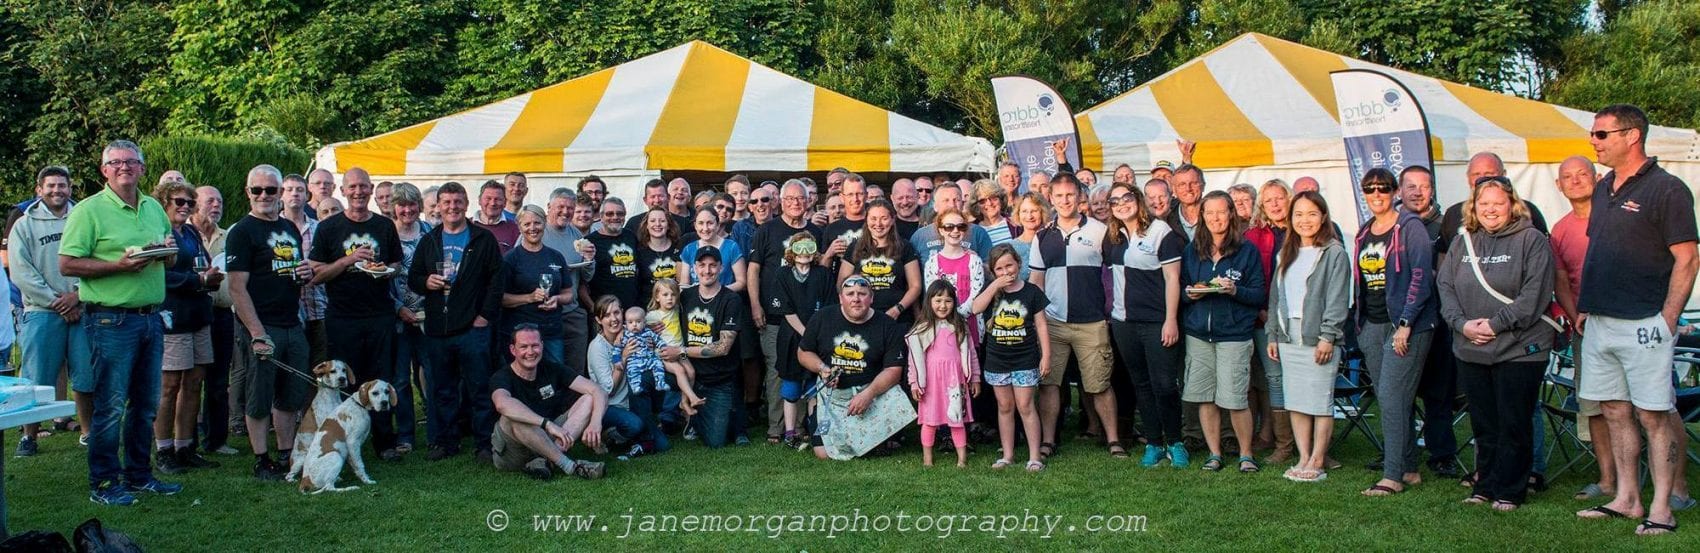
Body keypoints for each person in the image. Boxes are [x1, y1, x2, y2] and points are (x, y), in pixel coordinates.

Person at [1574, 105, 1697, 536]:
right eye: (1593, 134)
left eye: (1602, 134)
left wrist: (1668, 318)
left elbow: (1688, 258)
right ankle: (1627, 498)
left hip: (1645, 320)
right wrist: (1586, 304)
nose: (1594, 141)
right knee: (1613, 410)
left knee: (1654, 415)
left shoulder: (1668, 190)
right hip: (1602, 319)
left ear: (1632, 136)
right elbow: (1602, 252)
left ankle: (1661, 507)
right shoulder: (1605, 187)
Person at [60, 140, 184, 504]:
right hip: (110, 320)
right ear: (104, 170)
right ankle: (103, 483)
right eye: (115, 162)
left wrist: (166, 252)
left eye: (131, 162)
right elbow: (67, 264)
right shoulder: (89, 211)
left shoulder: (153, 208)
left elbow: (172, 259)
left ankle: (139, 475)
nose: (124, 167)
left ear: (143, 169)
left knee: (146, 405)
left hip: (150, 318)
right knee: (111, 405)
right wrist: (119, 266)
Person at [1437, 177, 1557, 511]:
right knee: (1484, 423)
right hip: (1471, 346)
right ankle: (1485, 484)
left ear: (1512, 205)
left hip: (1519, 349)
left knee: (1513, 422)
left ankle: (1511, 490)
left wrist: (1494, 324)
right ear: (1473, 207)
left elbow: (1534, 295)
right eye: (1483, 203)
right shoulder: (1464, 242)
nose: (1490, 210)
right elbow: (1445, 286)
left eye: (1498, 203)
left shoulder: (1531, 240)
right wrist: (1461, 325)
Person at [308, 168, 406, 460]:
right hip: (342, 316)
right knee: (346, 380)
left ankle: (385, 443)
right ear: (343, 190)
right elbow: (316, 274)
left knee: (381, 379)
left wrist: (385, 271)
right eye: (353, 187)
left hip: (379, 315)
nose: (359, 192)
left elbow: (397, 265)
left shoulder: (385, 226)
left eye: (364, 187)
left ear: (371, 189)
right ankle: (345, 439)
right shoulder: (328, 228)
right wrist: (349, 260)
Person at [224, 164, 313, 483]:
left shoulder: (288, 228)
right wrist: (257, 332)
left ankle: (286, 452)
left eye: (270, 190)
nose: (264, 195)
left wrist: (305, 273)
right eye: (257, 190)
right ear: (248, 193)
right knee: (260, 393)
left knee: (291, 393)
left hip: (292, 322)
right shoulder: (241, 232)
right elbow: (236, 287)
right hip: (261, 325)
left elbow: (289, 269)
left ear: (280, 193)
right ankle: (262, 458)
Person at [1353, 168, 1437, 496]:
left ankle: (1391, 477)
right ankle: (1410, 467)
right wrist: (1360, 327)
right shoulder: (1364, 232)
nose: (1377, 194)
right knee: (1392, 399)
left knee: (1391, 397)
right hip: (1372, 324)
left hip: (1406, 326)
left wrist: (1405, 323)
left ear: (1395, 192)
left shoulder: (1409, 227)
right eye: (1370, 189)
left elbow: (1420, 277)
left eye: (1383, 188)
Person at [408, 181, 505, 463]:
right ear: (438, 206)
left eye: (457, 202)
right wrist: (426, 281)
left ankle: (484, 444)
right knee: (442, 389)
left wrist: (484, 316)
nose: (452, 207)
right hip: (438, 329)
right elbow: (414, 278)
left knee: (479, 389)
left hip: (472, 328)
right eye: (447, 202)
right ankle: (444, 442)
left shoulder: (482, 239)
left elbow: (496, 281)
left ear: (466, 204)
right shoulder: (429, 240)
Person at [1029, 173, 1123, 460]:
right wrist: (1038, 322)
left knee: (1100, 384)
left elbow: (1114, 274)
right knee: (1049, 384)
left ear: (1080, 196)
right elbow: (1036, 281)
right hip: (1054, 321)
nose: (1065, 200)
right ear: (1051, 199)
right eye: (1059, 196)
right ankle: (1047, 441)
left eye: (1070, 195)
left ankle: (1113, 440)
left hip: (1091, 321)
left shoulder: (1099, 231)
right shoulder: (1042, 235)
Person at [1264, 191, 1350, 483]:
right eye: (1298, 214)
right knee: (1297, 401)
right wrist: (1273, 334)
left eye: (1312, 214)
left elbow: (1338, 298)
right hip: (1289, 335)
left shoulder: (1334, 252)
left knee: (1319, 401)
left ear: (1323, 217)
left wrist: (1329, 336)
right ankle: (1302, 456)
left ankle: (1318, 458)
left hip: (1320, 336)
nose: (1305, 220)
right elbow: (1277, 296)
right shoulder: (1286, 252)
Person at [1180, 191, 1267, 473]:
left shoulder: (1246, 251)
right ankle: (1214, 453)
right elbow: (1181, 289)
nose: (1215, 218)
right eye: (1209, 213)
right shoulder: (1193, 250)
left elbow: (1258, 294)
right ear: (1202, 217)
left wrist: (1235, 290)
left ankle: (1245, 454)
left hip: (1234, 335)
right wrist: (1189, 294)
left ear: (1231, 214)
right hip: (1199, 334)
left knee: (1235, 397)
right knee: (1205, 396)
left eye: (1221, 212)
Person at [11, 166, 93, 457]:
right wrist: (56, 301)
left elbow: (97, 259)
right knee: (37, 378)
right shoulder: (24, 224)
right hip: (42, 311)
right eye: (51, 186)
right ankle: (29, 436)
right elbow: (21, 272)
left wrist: (77, 296)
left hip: (81, 308)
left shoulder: (85, 217)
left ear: (71, 188)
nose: (57, 191)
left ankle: (87, 432)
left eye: (62, 186)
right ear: (39, 189)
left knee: (86, 376)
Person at [1104, 183, 1187, 468]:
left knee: (1164, 384)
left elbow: (1173, 279)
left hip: (1157, 322)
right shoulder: (1113, 237)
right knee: (1141, 385)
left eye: (1126, 198)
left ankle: (1175, 441)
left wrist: (1171, 319)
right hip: (1124, 322)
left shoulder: (1160, 232)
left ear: (1138, 200)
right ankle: (1153, 442)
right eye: (1114, 202)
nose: (1121, 205)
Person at [1396, 165, 1464, 479]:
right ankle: (1401, 452)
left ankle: (1442, 453)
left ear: (1432, 190)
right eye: (1411, 186)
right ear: (1399, 190)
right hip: (1401, 322)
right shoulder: (1391, 226)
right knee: (1401, 391)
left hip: (1437, 321)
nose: (1418, 192)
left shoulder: (1445, 224)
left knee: (1439, 392)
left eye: (1424, 186)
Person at [151, 180, 222, 474]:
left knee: (194, 382)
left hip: (198, 313)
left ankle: (185, 445)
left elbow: (199, 263)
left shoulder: (191, 231)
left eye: (189, 203)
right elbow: (160, 276)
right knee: (169, 386)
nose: (184, 207)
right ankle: (164, 449)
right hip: (173, 315)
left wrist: (209, 274)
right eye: (178, 202)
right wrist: (198, 281)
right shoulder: (158, 234)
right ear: (164, 202)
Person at [798, 275, 908, 460]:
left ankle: (880, 438)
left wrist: (869, 393)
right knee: (823, 453)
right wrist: (823, 369)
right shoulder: (822, 317)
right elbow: (803, 352)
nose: (856, 299)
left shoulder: (888, 325)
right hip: (834, 397)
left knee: (873, 448)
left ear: (871, 298)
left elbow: (894, 371)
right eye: (850, 294)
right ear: (841, 298)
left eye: (862, 293)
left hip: (872, 395)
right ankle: (817, 417)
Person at [747, 180, 822, 443]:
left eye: (800, 198)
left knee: (805, 369)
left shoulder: (816, 232)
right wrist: (755, 305)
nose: (795, 203)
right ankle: (776, 428)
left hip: (807, 319)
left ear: (808, 201)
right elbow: (753, 270)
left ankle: (800, 427)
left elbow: (819, 269)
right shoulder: (766, 231)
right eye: (789, 199)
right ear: (780, 201)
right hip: (774, 316)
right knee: (778, 370)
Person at [488, 326, 609, 480]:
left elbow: (598, 391)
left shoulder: (551, 368)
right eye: (524, 347)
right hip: (514, 453)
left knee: (590, 399)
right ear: (513, 350)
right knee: (512, 416)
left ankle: (547, 460)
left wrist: (595, 423)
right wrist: (547, 424)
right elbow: (502, 404)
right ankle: (571, 466)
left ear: (542, 346)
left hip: (546, 440)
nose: (530, 352)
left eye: (535, 346)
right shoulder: (501, 376)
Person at [972, 245, 1050, 471]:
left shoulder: (1032, 292)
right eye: (999, 268)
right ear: (993, 271)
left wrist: (1046, 356)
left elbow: (1042, 325)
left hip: (1025, 357)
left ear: (1018, 264)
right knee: (1004, 406)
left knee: (1025, 405)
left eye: (1009, 265)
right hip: (997, 359)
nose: (1006, 271)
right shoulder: (991, 289)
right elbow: (975, 308)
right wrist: (994, 285)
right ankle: (1007, 455)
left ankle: (1035, 456)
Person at [672, 247, 743, 448]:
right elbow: (663, 311)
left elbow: (723, 347)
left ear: (721, 267)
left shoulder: (731, 299)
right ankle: (672, 416)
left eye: (713, 265)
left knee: (716, 442)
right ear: (694, 268)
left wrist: (680, 351)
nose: (707, 270)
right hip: (689, 373)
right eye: (702, 265)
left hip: (718, 380)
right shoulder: (685, 297)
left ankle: (699, 417)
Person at [906, 281, 979, 467]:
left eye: (948, 301)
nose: (943, 305)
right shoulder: (923, 328)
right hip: (931, 382)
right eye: (938, 300)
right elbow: (913, 359)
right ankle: (927, 459)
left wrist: (975, 377)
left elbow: (970, 353)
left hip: (955, 380)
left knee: (957, 420)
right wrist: (914, 382)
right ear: (929, 301)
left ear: (954, 303)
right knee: (929, 421)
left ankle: (962, 459)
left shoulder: (959, 326)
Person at [769, 235, 832, 449]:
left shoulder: (823, 274)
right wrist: (806, 333)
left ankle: (813, 429)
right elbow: (786, 309)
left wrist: (814, 334)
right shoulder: (782, 274)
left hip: (818, 337)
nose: (804, 252)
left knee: (815, 386)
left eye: (809, 247)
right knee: (791, 388)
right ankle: (789, 432)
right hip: (791, 338)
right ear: (792, 251)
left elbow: (827, 306)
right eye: (799, 247)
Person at [586, 297, 669, 458]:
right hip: (610, 405)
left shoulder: (631, 331)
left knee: (662, 445)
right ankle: (611, 434)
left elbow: (649, 337)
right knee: (634, 425)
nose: (613, 319)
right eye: (607, 315)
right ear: (598, 320)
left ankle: (645, 427)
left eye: (616, 312)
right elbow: (608, 390)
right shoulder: (597, 347)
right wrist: (622, 358)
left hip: (633, 401)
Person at [193, 185, 237, 456]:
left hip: (221, 313)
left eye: (219, 201)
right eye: (210, 201)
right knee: (189, 379)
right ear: (196, 204)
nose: (216, 206)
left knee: (219, 380)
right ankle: (183, 439)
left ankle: (216, 439)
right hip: (193, 313)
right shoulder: (184, 234)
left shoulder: (228, 236)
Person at [500, 206, 576, 365]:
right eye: (527, 224)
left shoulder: (555, 256)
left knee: (554, 375)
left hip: (551, 331)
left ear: (545, 224)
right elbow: (500, 298)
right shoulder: (511, 259)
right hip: (521, 333)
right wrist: (529, 297)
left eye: (537, 223)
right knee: (521, 379)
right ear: (519, 227)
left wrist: (557, 299)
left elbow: (569, 294)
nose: (532, 228)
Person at [388, 182, 430, 455]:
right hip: (398, 316)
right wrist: (398, 308)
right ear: (394, 207)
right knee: (400, 378)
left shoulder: (429, 232)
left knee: (432, 374)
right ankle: (405, 434)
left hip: (429, 316)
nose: (407, 210)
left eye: (412, 204)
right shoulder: (385, 234)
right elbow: (377, 277)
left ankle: (437, 431)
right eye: (402, 205)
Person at [1437, 153, 1549, 251]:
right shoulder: (1454, 213)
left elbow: (1544, 252)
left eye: (1489, 174)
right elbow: (1444, 254)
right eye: (1476, 174)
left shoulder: (1527, 210)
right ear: (1467, 178)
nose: (1482, 180)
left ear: (1503, 175)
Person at [837, 201, 921, 327]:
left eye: (884, 218)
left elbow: (915, 286)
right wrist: (856, 310)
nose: (878, 224)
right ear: (866, 220)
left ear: (893, 219)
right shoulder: (855, 247)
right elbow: (841, 284)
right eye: (873, 218)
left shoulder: (905, 247)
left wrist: (897, 309)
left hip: (898, 318)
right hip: (862, 319)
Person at [540, 188, 597, 371]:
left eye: (570, 208)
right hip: (543, 312)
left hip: (572, 312)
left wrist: (589, 260)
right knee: (549, 368)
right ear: (549, 207)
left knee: (576, 368)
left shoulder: (576, 236)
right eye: (561, 207)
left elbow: (586, 277)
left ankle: (575, 400)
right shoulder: (537, 232)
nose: (566, 212)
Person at [282, 174, 329, 367]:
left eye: (299, 190)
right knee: (294, 369)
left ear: (306, 193)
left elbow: (331, 263)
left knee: (320, 368)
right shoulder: (274, 229)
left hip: (319, 308)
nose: (295, 194)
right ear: (281, 195)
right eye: (289, 189)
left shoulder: (321, 228)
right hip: (288, 312)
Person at [921, 209, 985, 336]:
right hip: (941, 329)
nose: (955, 231)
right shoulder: (932, 263)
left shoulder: (974, 261)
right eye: (949, 227)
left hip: (971, 328)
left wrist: (957, 317)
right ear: (941, 230)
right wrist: (949, 319)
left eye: (960, 227)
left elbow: (976, 295)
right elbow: (933, 297)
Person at [645, 280, 704, 412]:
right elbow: (642, 329)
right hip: (663, 353)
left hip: (679, 350)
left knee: (691, 371)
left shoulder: (678, 309)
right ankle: (692, 397)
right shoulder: (653, 315)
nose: (670, 298)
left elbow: (684, 289)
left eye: (673, 295)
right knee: (680, 371)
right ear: (657, 297)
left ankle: (683, 402)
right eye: (665, 295)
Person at [911, 182, 993, 262]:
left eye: (956, 200)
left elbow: (991, 269)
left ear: (962, 203)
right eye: (946, 200)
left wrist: (976, 261)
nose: (952, 205)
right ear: (935, 206)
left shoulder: (978, 233)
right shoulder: (920, 236)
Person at [587, 198, 641, 309]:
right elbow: (582, 284)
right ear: (601, 217)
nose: (615, 217)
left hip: (632, 311)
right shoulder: (590, 242)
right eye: (609, 214)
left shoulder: (631, 236)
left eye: (619, 213)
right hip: (605, 312)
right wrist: (594, 310)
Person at [634, 209, 683, 307]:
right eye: (652, 221)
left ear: (668, 225)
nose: (657, 224)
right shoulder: (639, 251)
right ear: (646, 225)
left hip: (675, 309)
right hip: (649, 310)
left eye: (662, 221)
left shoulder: (680, 248)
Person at [821, 174, 871, 269]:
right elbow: (822, 270)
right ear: (842, 197)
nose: (855, 199)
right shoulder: (831, 228)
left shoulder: (876, 225)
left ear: (866, 196)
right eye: (850, 194)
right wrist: (829, 253)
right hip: (840, 282)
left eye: (859, 194)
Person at [471, 180, 520, 254]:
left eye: (497, 199)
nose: (493, 203)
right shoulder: (465, 226)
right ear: (479, 200)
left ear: (505, 203)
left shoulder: (515, 229)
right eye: (488, 198)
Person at [970, 180, 1018, 246]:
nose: (989, 203)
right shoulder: (972, 230)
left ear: (1001, 199)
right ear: (976, 205)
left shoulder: (1016, 224)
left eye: (993, 198)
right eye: (982, 201)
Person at [1171, 165, 1206, 240]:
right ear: (1174, 190)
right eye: (1182, 184)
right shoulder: (1167, 219)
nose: (1188, 189)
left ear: (1203, 186)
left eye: (1194, 183)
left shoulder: (1215, 215)